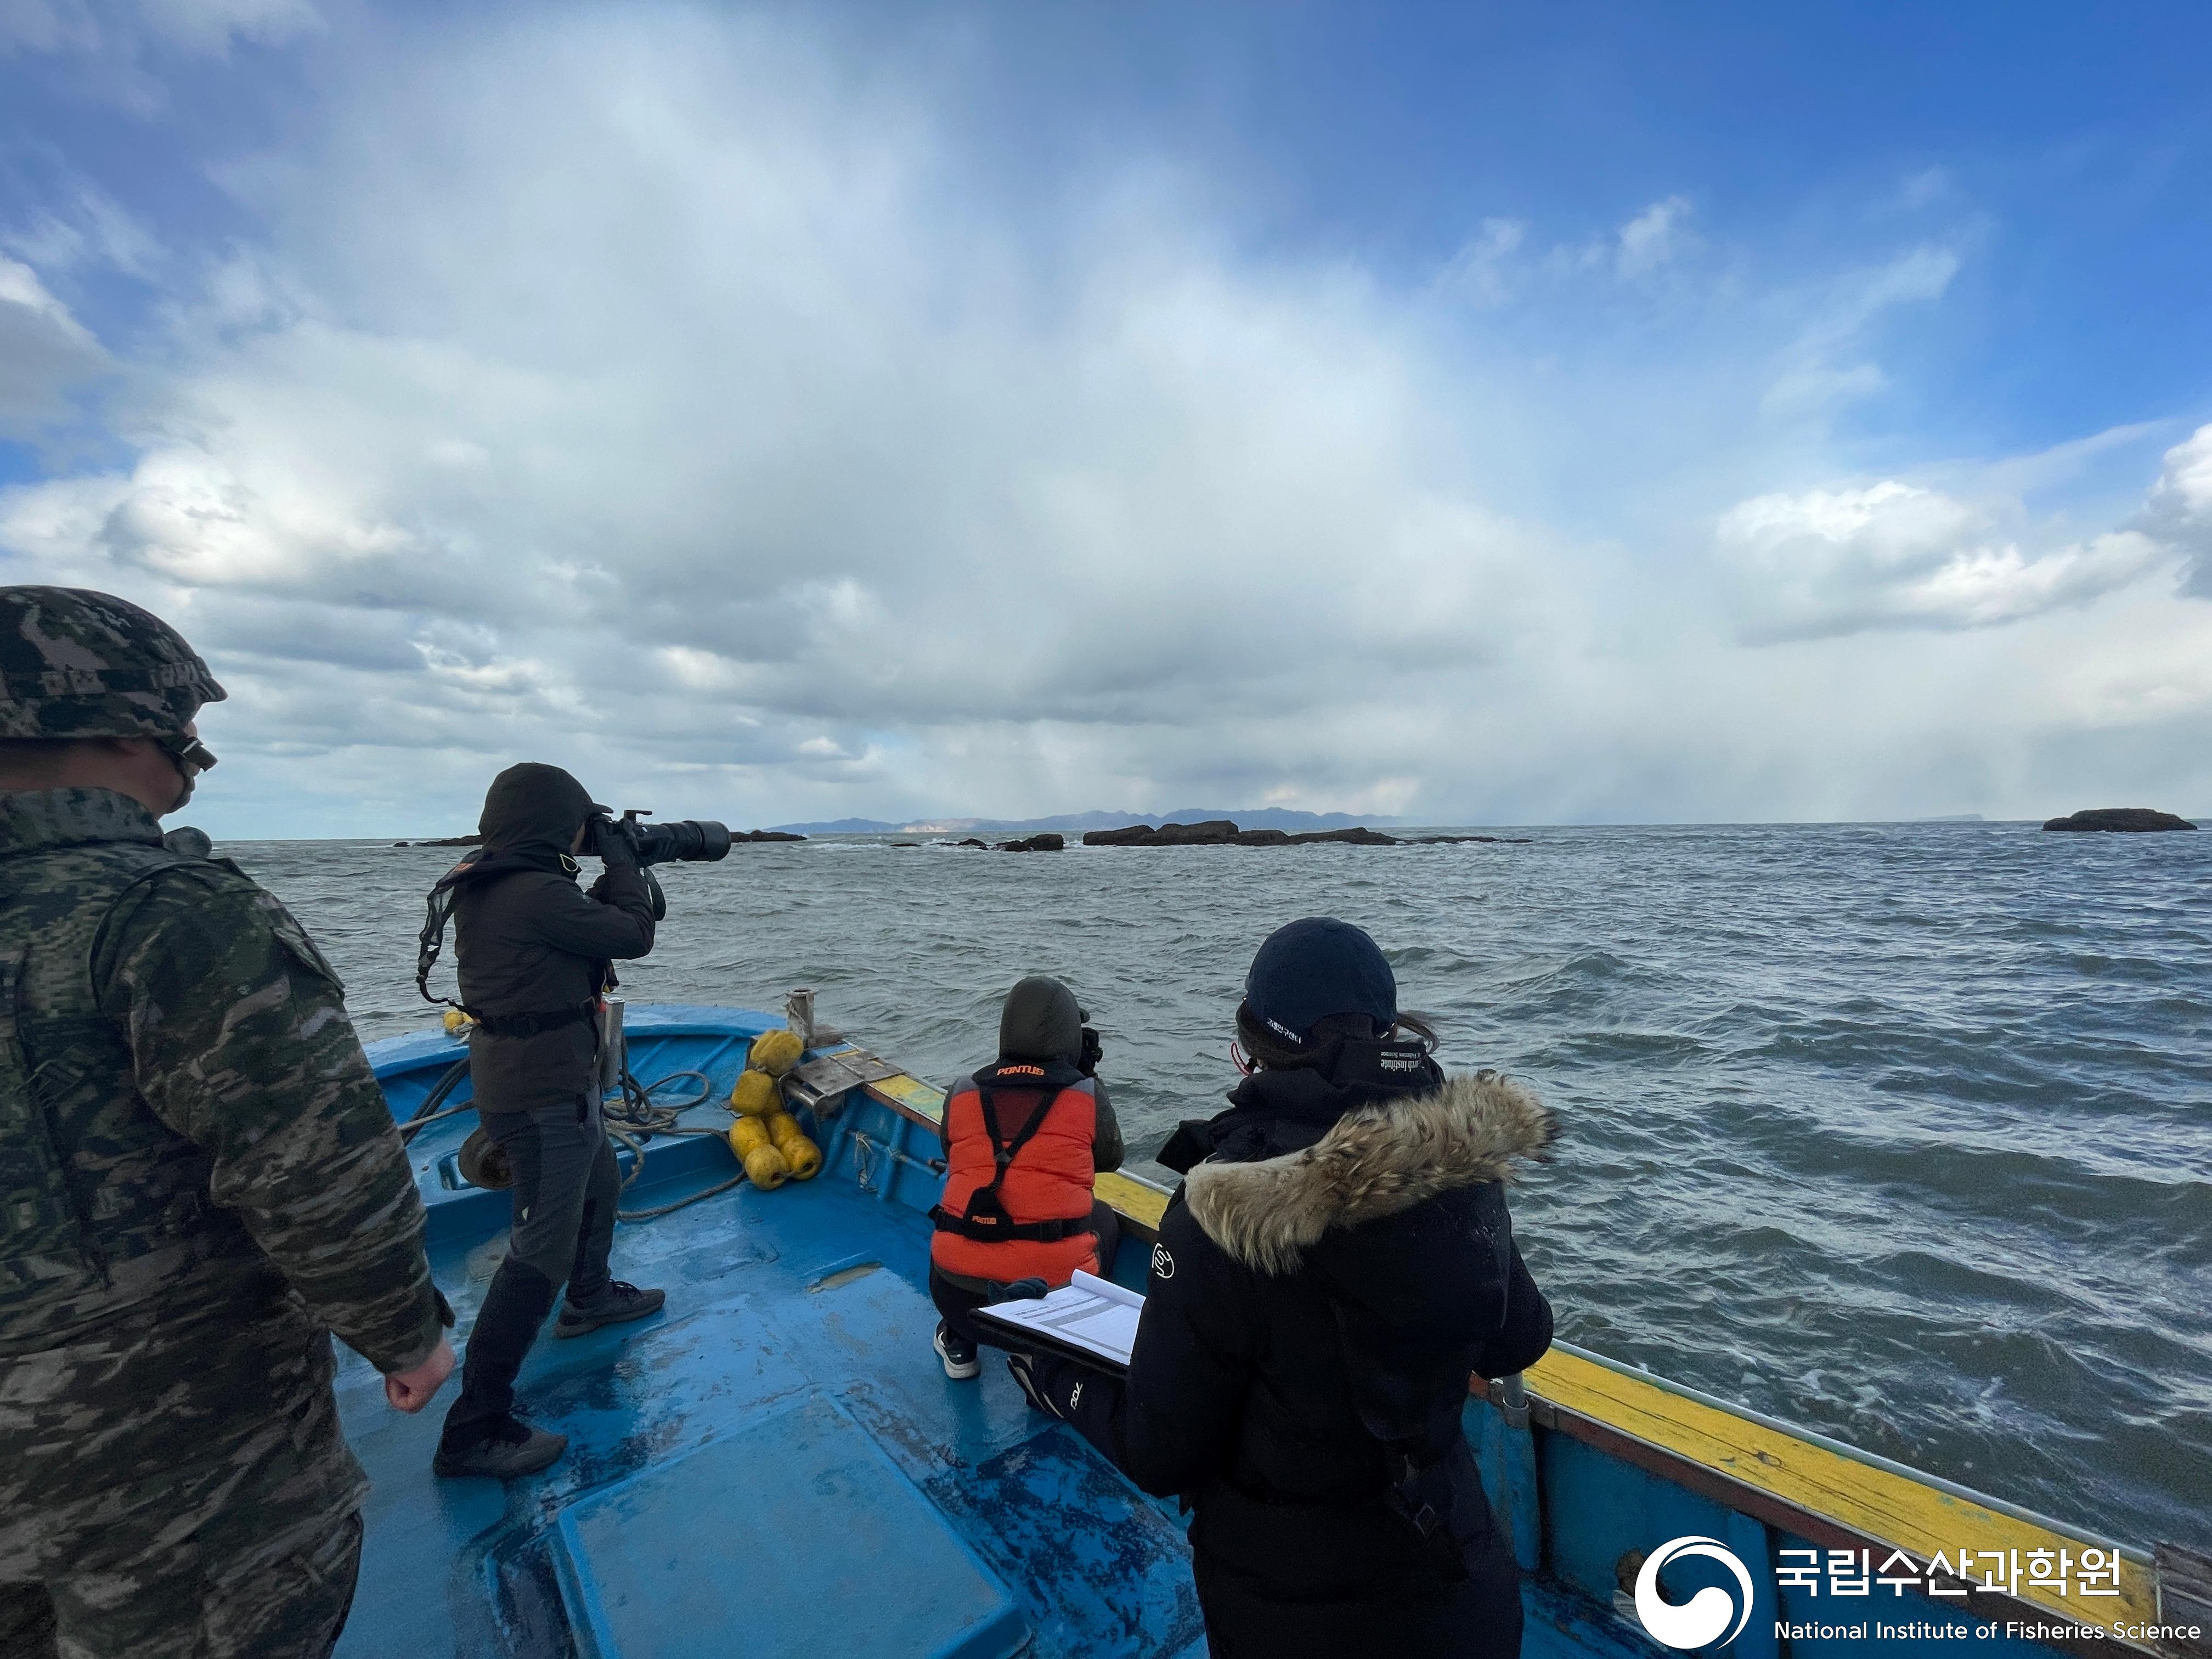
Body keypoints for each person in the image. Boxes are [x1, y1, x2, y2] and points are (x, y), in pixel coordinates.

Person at [0, 586, 454, 1659]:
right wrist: (404, 1336)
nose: (192, 763)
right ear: (114, 723)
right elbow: (317, 1171)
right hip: (169, 1453)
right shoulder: (167, 910)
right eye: (187, 737)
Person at [1007, 918, 1555, 1659]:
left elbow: (1163, 1453)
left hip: (1292, 1615)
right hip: (1458, 1585)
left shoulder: (1227, 1206)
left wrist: (1052, 1377)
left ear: (1254, 1050)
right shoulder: (1456, 1158)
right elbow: (1519, 1338)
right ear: (1389, 1030)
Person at [429, 762, 667, 1479]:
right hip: (542, 1093)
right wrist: (621, 859)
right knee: (540, 1251)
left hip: (549, 1078)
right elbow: (633, 934)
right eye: (575, 824)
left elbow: (588, 933)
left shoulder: (500, 882)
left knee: (601, 1184)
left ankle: (590, 1299)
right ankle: (474, 1427)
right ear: (550, 824)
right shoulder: (533, 892)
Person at [927, 974, 1125, 1379]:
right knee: (1103, 1218)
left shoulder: (962, 1091)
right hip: (1046, 1310)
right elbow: (1110, 1159)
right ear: (1072, 1036)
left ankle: (959, 1343)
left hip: (955, 1299)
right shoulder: (1087, 1095)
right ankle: (1058, 1351)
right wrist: (1087, 1076)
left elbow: (955, 1154)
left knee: (958, 1212)